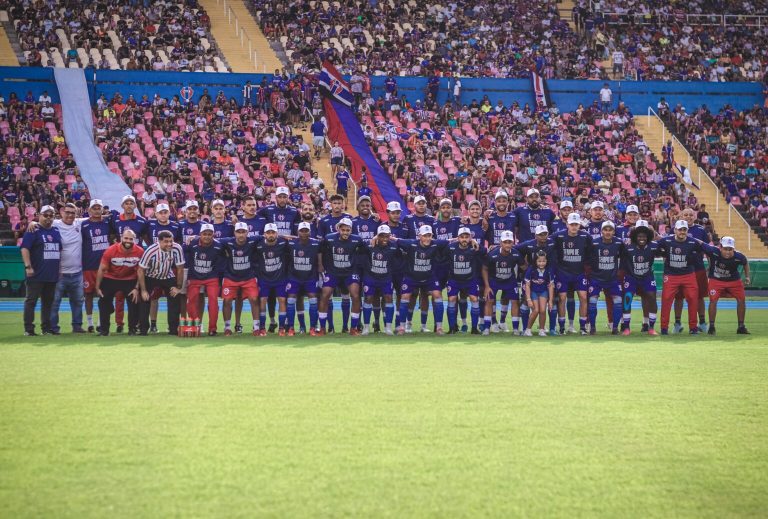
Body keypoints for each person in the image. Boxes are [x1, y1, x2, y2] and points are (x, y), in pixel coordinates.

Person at [393, 225, 449, 335]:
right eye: (425, 236)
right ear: (419, 236)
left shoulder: (436, 243)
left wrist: (470, 240)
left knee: (437, 295)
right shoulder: (410, 243)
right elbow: (395, 240)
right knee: (405, 297)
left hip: (429, 277)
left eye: (429, 236)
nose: (427, 238)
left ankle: (439, 327)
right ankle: (402, 327)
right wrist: (376, 237)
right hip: (411, 277)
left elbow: (450, 241)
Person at [656, 220, 708, 335]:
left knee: (693, 299)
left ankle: (693, 328)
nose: (682, 232)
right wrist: (664, 254)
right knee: (666, 300)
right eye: (680, 229)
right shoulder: (667, 240)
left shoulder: (693, 242)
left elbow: (707, 249)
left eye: (684, 229)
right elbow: (655, 248)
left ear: (687, 231)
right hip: (671, 275)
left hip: (688, 275)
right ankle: (664, 328)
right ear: (675, 230)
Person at [318, 218, 365, 335]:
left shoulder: (357, 240)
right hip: (333, 272)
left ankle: (353, 328)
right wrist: (320, 265)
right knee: (325, 295)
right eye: (343, 230)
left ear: (351, 230)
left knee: (355, 295)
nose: (345, 232)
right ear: (338, 229)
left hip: (350, 273)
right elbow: (319, 250)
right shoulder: (329, 238)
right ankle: (323, 328)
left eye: (348, 230)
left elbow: (366, 250)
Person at [21, 205, 61, 336]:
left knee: (48, 303)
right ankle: (29, 329)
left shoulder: (56, 230)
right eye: (46, 215)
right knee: (31, 301)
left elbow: (58, 250)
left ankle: (46, 328)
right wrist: (28, 266)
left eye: (51, 215)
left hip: (51, 275)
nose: (48, 218)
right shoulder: (33, 230)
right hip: (36, 274)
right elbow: (24, 248)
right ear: (39, 215)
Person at [95, 229, 143, 336]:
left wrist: (136, 288)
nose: (128, 241)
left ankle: (132, 329)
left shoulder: (140, 251)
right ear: (121, 238)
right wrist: (97, 287)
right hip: (110, 278)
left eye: (131, 239)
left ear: (134, 240)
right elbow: (102, 269)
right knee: (103, 301)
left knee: (134, 300)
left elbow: (141, 272)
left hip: (129, 279)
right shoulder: (110, 250)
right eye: (126, 238)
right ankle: (104, 330)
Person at [136, 230, 185, 336]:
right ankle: (143, 329)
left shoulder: (177, 248)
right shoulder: (151, 250)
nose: (169, 244)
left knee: (174, 297)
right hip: (151, 276)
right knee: (145, 299)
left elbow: (180, 268)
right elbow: (140, 270)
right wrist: (143, 290)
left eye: (171, 241)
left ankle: (173, 329)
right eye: (166, 242)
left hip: (167, 275)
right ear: (159, 241)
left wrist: (178, 287)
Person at [552, 212, 594, 334]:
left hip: (579, 273)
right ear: (567, 224)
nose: (574, 227)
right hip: (563, 273)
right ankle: (562, 327)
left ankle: (582, 327)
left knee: (583, 297)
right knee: (562, 298)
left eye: (576, 224)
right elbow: (547, 244)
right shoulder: (558, 236)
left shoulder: (586, 236)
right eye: (572, 224)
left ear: (580, 224)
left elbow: (591, 253)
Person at [699, 236, 750, 335]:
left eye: (730, 249)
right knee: (713, 300)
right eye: (725, 249)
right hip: (716, 280)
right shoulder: (713, 251)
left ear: (733, 249)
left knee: (741, 300)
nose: (728, 252)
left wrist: (747, 276)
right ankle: (712, 326)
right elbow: (701, 243)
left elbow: (745, 263)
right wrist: (688, 237)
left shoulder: (739, 256)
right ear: (720, 247)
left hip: (734, 281)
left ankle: (741, 326)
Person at [49, 203, 86, 334]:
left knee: (77, 302)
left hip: (77, 272)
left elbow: (95, 216)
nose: (70, 215)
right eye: (68, 212)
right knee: (55, 303)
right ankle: (53, 328)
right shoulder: (54, 224)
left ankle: (77, 327)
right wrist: (32, 223)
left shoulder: (78, 223)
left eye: (73, 212)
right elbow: (40, 223)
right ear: (62, 212)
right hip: (60, 274)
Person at [184, 223, 225, 336]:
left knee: (213, 301)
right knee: (191, 301)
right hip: (195, 277)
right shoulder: (191, 243)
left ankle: (212, 328)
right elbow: (180, 250)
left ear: (213, 235)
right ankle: (194, 325)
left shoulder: (218, 245)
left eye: (209, 234)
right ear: (200, 234)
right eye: (204, 234)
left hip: (211, 276)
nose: (207, 236)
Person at [221, 222, 261, 336]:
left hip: (248, 277)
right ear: (234, 233)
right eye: (239, 232)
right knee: (227, 301)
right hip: (231, 277)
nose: (241, 234)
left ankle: (256, 327)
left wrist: (288, 237)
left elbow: (271, 235)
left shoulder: (253, 240)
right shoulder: (227, 241)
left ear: (247, 233)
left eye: (243, 232)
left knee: (254, 299)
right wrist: (196, 237)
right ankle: (227, 327)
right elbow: (211, 240)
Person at [620, 220, 659, 335]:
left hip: (647, 277)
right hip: (631, 277)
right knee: (627, 298)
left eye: (644, 236)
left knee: (652, 297)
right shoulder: (627, 246)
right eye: (639, 235)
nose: (642, 238)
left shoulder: (654, 246)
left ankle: (651, 327)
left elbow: (666, 247)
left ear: (648, 236)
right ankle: (626, 328)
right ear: (634, 236)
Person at [586, 221, 624, 335]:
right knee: (592, 301)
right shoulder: (594, 243)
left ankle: (615, 328)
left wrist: (619, 272)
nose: (608, 232)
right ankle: (592, 327)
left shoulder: (619, 243)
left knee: (618, 301)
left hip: (612, 279)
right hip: (596, 278)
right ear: (601, 231)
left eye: (610, 230)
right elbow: (588, 259)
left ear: (613, 231)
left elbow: (624, 257)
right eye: (605, 230)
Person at [361, 225, 400, 335]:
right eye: (381, 236)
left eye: (386, 236)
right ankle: (366, 327)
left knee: (388, 298)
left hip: (386, 278)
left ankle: (388, 327)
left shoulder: (394, 246)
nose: (384, 239)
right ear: (377, 236)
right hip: (370, 277)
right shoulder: (369, 245)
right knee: (368, 298)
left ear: (390, 236)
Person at [482, 230, 523, 335]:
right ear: (501, 242)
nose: (508, 244)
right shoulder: (493, 254)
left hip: (509, 280)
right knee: (489, 300)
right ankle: (487, 327)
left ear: (513, 243)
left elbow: (524, 266)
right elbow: (484, 268)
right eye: (505, 242)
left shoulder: (516, 254)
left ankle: (515, 329)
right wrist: (487, 286)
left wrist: (526, 280)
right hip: (494, 280)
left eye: (510, 242)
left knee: (515, 301)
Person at [285, 221, 322, 335]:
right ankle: (292, 327)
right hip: (294, 277)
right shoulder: (291, 244)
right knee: (291, 300)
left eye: (306, 231)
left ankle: (312, 327)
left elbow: (320, 254)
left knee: (313, 300)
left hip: (310, 277)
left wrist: (320, 265)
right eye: (302, 231)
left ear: (310, 232)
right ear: (298, 232)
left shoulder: (316, 243)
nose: (304, 233)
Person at [81, 199, 112, 332]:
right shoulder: (83, 225)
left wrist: (105, 215)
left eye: (99, 208)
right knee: (88, 295)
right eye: (94, 208)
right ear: (89, 210)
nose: (97, 210)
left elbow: (116, 214)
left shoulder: (107, 223)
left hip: (105, 266)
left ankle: (100, 322)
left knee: (103, 295)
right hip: (89, 265)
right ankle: (89, 323)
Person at [523, 251, 556, 337]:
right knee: (536, 310)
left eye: (544, 261)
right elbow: (527, 285)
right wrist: (528, 299)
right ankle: (528, 330)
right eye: (539, 261)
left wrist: (551, 301)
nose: (542, 263)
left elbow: (551, 286)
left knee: (542, 310)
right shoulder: (531, 269)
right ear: (535, 261)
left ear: (547, 261)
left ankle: (541, 330)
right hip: (533, 291)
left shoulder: (549, 270)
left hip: (543, 291)